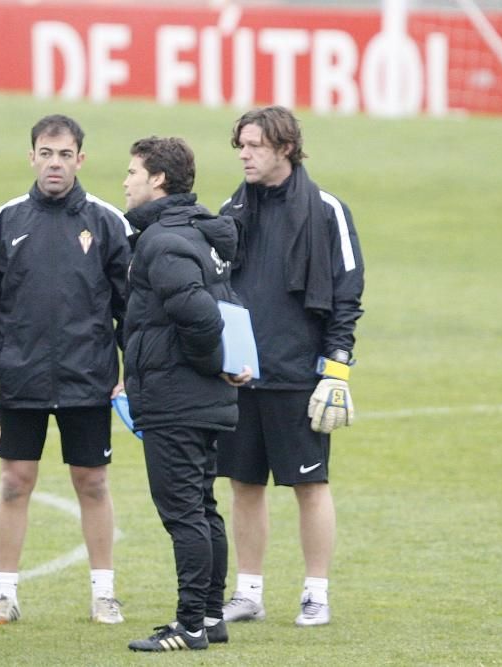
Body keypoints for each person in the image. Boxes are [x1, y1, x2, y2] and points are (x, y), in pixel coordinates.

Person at [0, 114, 133, 626]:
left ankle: (104, 593)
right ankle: (4, 595)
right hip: (20, 378)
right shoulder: (6, 221)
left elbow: (133, 309)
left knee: (93, 482)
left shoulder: (106, 222)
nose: (54, 163)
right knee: (15, 482)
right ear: (31, 156)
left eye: (64, 154)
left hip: (88, 380)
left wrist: (133, 372)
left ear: (80, 160)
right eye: (45, 153)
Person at [216, 105, 364, 627]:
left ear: (284, 147)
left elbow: (347, 293)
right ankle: (248, 592)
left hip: (300, 374)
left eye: (254, 145)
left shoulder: (326, 210)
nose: (244, 154)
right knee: (243, 482)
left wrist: (336, 368)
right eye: (241, 145)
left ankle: (316, 594)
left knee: (309, 484)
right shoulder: (231, 207)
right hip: (241, 373)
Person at [120, 136, 250, 652]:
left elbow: (196, 312)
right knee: (202, 506)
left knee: (183, 513)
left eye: (132, 172)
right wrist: (228, 365)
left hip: (178, 396)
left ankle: (190, 623)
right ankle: (211, 617)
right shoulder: (201, 233)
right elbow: (227, 305)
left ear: (158, 180)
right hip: (202, 397)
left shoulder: (162, 241)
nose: (125, 181)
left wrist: (213, 362)